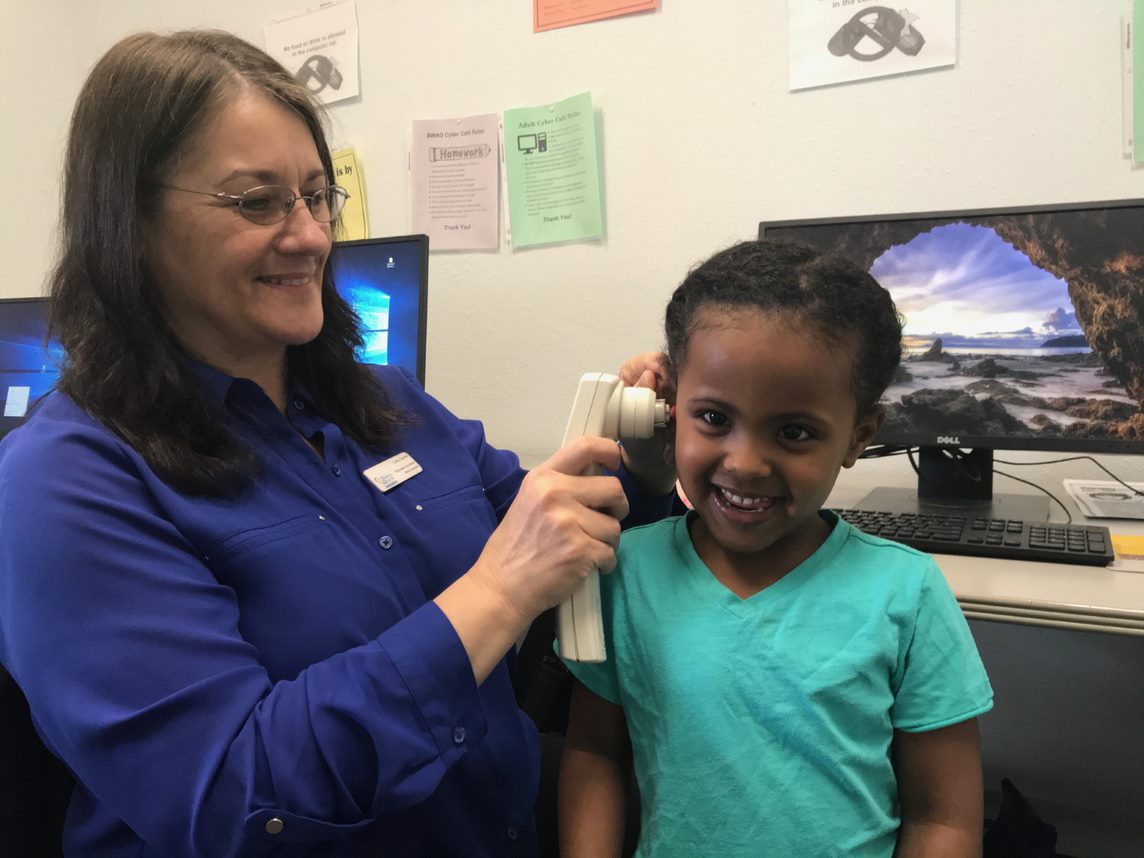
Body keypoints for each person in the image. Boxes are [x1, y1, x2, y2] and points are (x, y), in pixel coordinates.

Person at [0, 30, 675, 857]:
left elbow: (553, 529)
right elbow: (240, 800)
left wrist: (648, 457)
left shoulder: (384, 401)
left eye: (318, 196)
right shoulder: (65, 483)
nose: (312, 236)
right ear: (131, 224)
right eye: (258, 201)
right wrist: (497, 593)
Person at [559, 239, 994, 857]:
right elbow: (595, 753)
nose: (745, 463)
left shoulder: (908, 594)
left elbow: (942, 821)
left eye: (794, 432)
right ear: (667, 412)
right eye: (712, 418)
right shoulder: (626, 574)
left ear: (858, 438)